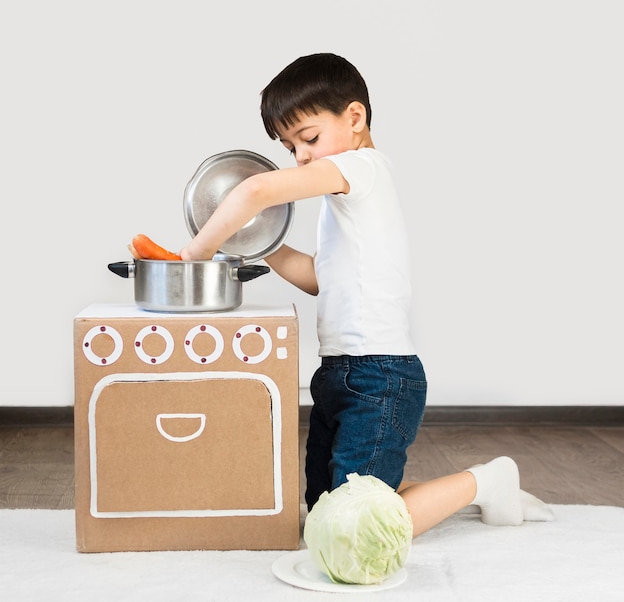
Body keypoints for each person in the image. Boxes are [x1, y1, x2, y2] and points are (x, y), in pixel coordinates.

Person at [180, 53, 554, 536]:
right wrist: (258, 243)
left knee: (352, 529)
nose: (302, 156)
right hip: (340, 372)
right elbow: (320, 278)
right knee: (324, 516)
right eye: (291, 147)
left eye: (309, 138)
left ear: (354, 119)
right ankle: (436, 493)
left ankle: (486, 481)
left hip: (380, 377)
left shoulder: (361, 167)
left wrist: (194, 253)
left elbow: (255, 192)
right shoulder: (346, 197)